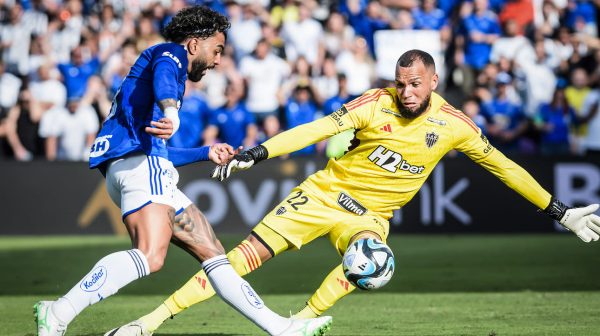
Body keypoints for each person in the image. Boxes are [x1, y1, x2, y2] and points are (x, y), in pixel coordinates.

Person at [111, 49, 600, 335]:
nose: (406, 92)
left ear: (433, 81)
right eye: (400, 83)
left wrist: (559, 211)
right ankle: (147, 323)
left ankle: (300, 322)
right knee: (234, 260)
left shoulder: (454, 125)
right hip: (322, 194)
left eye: (415, 84)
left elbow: (504, 167)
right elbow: (316, 129)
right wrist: (258, 152)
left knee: (373, 263)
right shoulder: (375, 103)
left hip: (367, 217)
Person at [33, 6, 331, 336]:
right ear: (193, 44)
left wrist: (206, 152)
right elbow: (163, 77)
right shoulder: (169, 54)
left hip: (144, 165)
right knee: (150, 255)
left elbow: (158, 148)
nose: (218, 60)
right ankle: (59, 311)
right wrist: (171, 111)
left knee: (212, 250)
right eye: (216, 50)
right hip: (140, 167)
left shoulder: (165, 72)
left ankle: (280, 328)